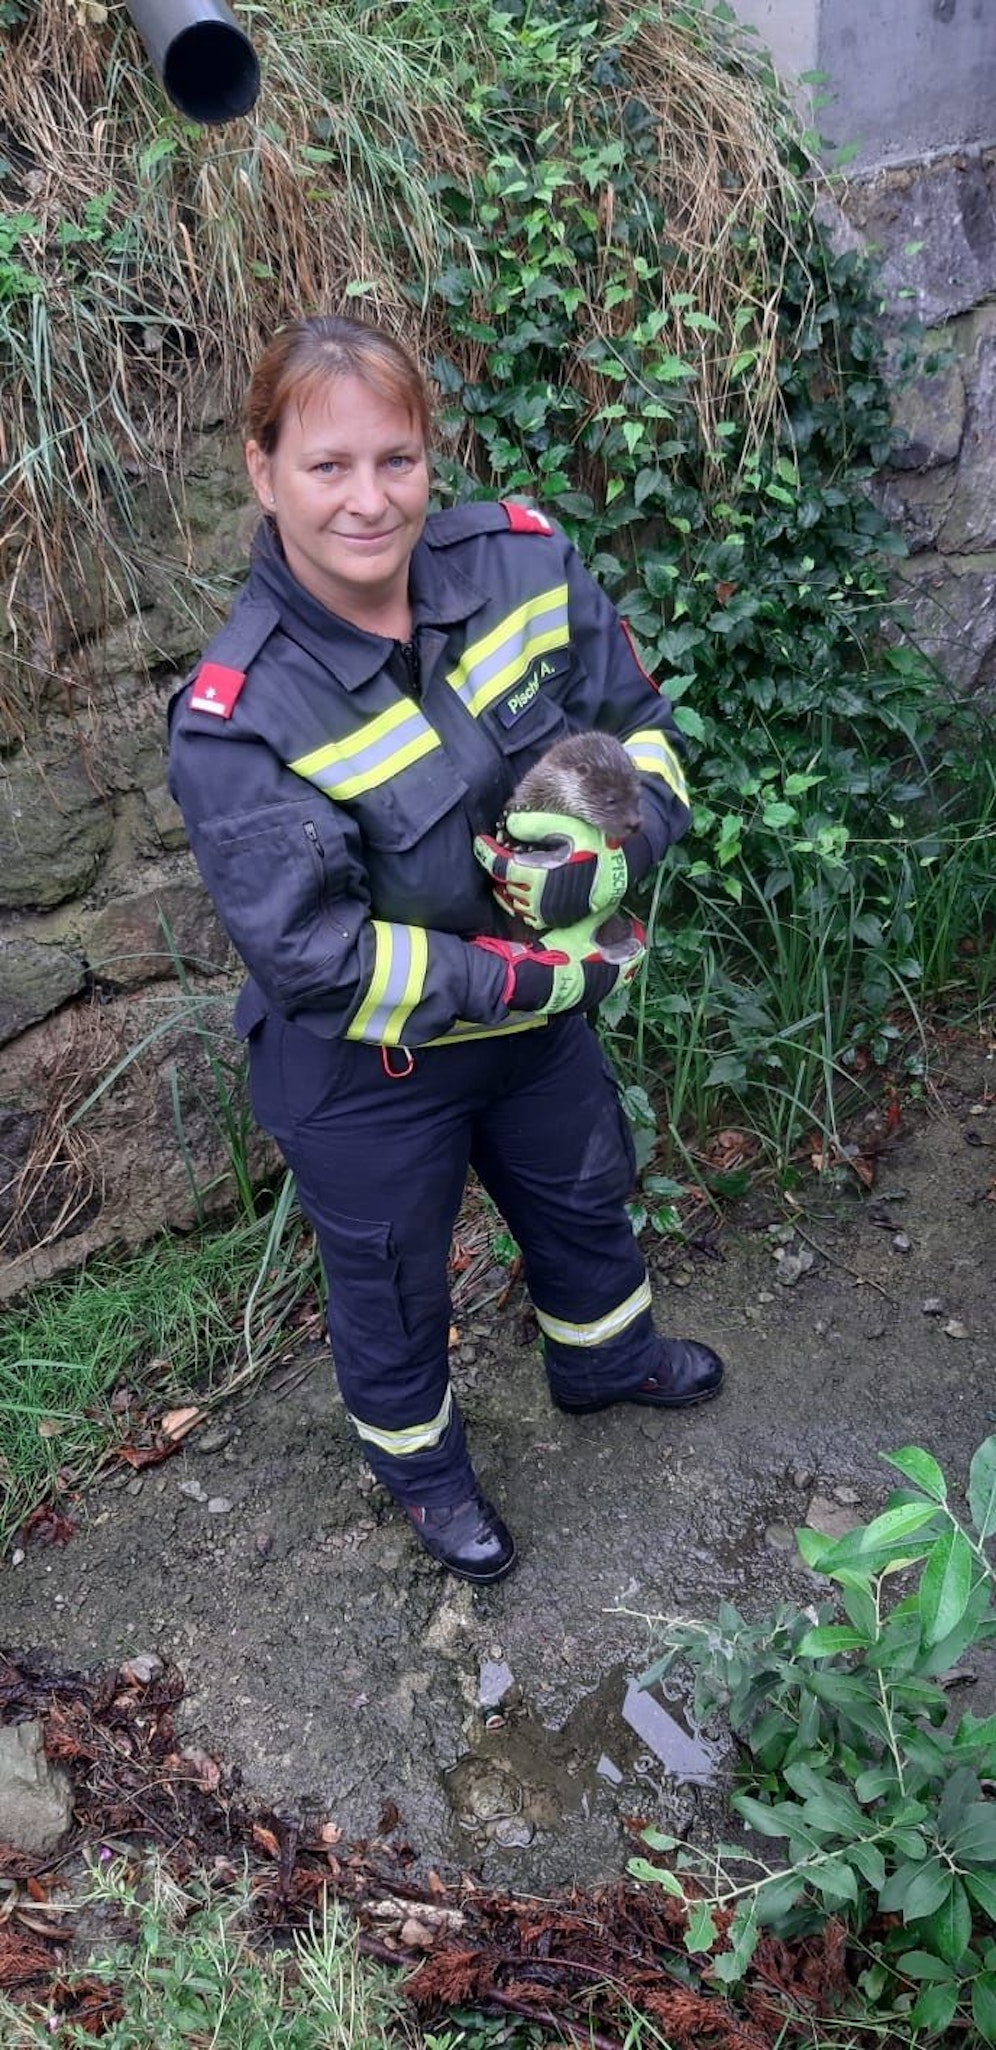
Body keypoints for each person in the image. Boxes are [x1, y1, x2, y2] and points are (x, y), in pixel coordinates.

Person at [167, 311, 725, 1586]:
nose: (371, 500)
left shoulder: (525, 565)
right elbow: (318, 957)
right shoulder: (237, 716)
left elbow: (641, 738)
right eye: (328, 467)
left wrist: (618, 860)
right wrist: (529, 974)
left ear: (431, 456)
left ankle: (606, 1359)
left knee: (586, 1190)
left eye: (398, 460)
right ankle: (424, 1477)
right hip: (368, 1068)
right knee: (394, 1284)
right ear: (263, 473)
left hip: (535, 1028)